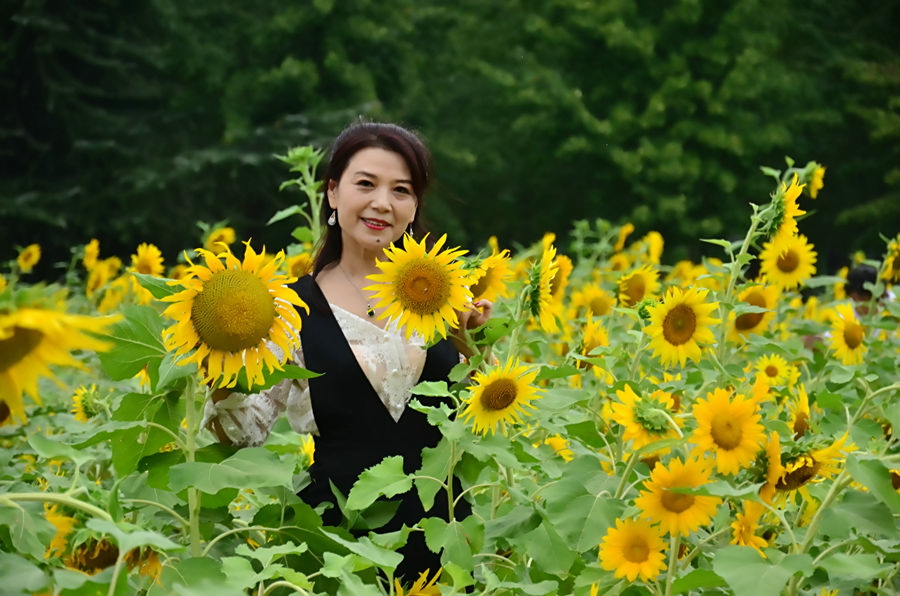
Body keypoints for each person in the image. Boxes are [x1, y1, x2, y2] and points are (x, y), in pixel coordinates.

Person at [202, 120, 491, 582]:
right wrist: (220, 361)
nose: (382, 202)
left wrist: (470, 339)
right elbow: (242, 433)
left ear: (414, 205)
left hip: (444, 542)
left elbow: (480, 419)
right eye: (366, 184)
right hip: (339, 551)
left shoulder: (442, 295)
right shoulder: (289, 310)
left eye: (402, 189)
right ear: (333, 192)